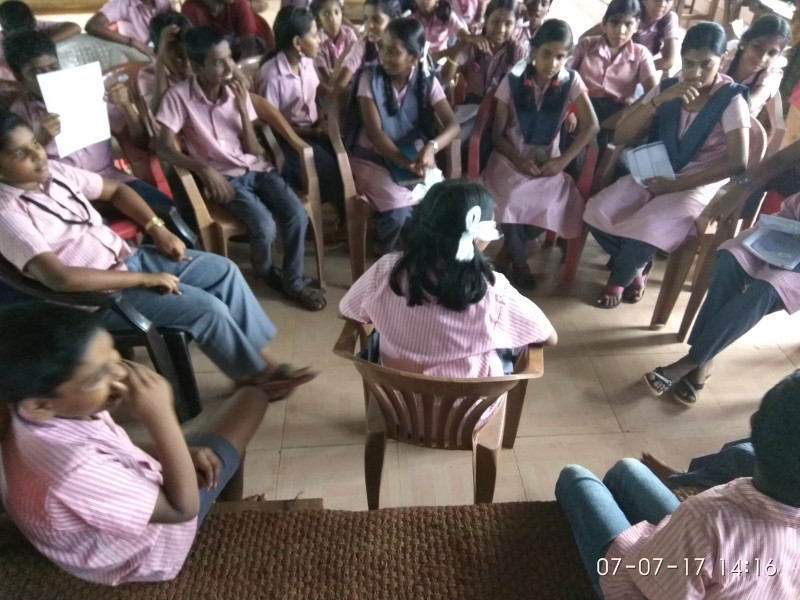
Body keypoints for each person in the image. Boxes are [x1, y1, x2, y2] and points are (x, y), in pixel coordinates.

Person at [0, 111, 314, 390]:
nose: (37, 154)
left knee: (224, 271)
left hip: (129, 258)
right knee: (207, 308)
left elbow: (116, 189)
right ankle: (255, 377)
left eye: (35, 143)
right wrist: (144, 280)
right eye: (20, 153)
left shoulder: (56, 172)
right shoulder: (6, 213)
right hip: (99, 298)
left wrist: (156, 228)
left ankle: (262, 362)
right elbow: (60, 278)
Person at [0, 302, 298, 585]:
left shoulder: (27, 410)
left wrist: (179, 451)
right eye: (96, 377)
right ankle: (230, 514)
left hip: (91, 528)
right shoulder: (73, 468)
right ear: (39, 406)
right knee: (251, 399)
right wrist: (161, 417)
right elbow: (182, 510)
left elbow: (109, 445)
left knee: (212, 441)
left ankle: (224, 498)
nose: (120, 374)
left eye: (115, 358)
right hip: (144, 553)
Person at [555, 370, 800, 599]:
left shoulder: (704, 516)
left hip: (642, 585)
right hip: (699, 557)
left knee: (574, 478)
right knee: (627, 469)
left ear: (755, 424)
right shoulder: (705, 518)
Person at [156, 26, 326, 311]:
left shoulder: (236, 90)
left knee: (296, 214)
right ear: (196, 67)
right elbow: (162, 147)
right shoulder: (179, 97)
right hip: (224, 178)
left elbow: (253, 150)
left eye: (229, 58)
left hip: (256, 168)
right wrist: (203, 170)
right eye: (218, 62)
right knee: (264, 227)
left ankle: (293, 281)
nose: (229, 67)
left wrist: (243, 108)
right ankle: (266, 271)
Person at [583, 22, 749, 308]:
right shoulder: (669, 88)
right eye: (689, 63)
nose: (696, 73)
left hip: (697, 182)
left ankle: (619, 279)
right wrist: (657, 101)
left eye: (706, 64)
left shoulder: (730, 99)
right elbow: (621, 136)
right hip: (657, 170)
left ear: (722, 60)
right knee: (596, 210)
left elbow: (738, 162)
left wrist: (677, 185)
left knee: (648, 226)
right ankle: (638, 267)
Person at [340, 179, 556, 376]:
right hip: (470, 405)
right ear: (476, 236)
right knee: (507, 350)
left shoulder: (387, 270)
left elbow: (347, 309)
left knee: (378, 338)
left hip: (396, 398)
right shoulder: (493, 291)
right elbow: (548, 336)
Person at [642, 188, 800, 405]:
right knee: (728, 259)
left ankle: (690, 362)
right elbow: (789, 211)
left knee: (766, 291)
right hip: (785, 238)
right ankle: (704, 361)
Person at [4, 31, 180, 221]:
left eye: (53, 67)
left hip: (112, 180)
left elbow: (140, 141)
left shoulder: (87, 90)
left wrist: (126, 106)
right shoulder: (19, 115)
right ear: (19, 77)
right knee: (96, 229)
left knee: (172, 213)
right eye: (36, 73)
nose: (47, 76)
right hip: (65, 192)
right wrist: (40, 140)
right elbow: (18, 174)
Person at [480, 19, 599, 288]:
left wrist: (562, 161)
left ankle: (509, 249)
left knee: (552, 205)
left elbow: (591, 125)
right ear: (534, 51)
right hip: (510, 158)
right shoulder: (513, 79)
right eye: (547, 54)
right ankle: (520, 262)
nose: (553, 63)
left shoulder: (571, 80)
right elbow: (497, 135)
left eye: (560, 57)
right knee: (509, 199)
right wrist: (518, 159)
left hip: (548, 162)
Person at [345, 17, 460, 255]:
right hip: (371, 156)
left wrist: (431, 147)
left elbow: (452, 125)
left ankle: (416, 253)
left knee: (438, 201)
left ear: (413, 58)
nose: (384, 56)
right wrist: (406, 163)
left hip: (413, 154)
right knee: (398, 211)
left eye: (393, 51)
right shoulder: (369, 78)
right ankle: (385, 252)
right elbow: (375, 133)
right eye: (383, 48)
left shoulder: (427, 80)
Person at [256, 6, 346, 231]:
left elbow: (316, 96)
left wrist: (323, 118)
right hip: (287, 140)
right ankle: (324, 224)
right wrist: (312, 132)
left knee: (348, 153)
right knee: (330, 167)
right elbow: (271, 125)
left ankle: (343, 217)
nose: (319, 40)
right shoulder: (271, 75)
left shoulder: (306, 63)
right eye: (314, 36)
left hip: (313, 130)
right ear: (297, 43)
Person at [569, 0, 657, 149]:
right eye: (614, 23)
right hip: (582, 107)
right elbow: (564, 77)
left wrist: (626, 114)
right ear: (604, 24)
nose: (620, 30)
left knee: (606, 149)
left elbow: (654, 92)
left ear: (637, 25)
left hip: (617, 113)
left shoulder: (641, 54)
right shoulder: (586, 45)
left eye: (628, 24)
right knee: (569, 145)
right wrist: (569, 110)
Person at [441, 0, 526, 104]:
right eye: (495, 21)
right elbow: (444, 77)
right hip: (472, 107)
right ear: (486, 19)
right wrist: (462, 44)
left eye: (508, 24)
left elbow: (522, 91)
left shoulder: (518, 52)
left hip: (501, 108)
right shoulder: (472, 46)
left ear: (515, 25)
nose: (501, 29)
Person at [328, 0, 403, 97]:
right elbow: (341, 83)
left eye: (377, 20)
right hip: (370, 96)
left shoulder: (404, 46)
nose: (369, 25)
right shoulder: (364, 44)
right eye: (366, 19)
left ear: (394, 19)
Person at [582, 0, 677, 75]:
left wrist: (634, 69)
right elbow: (584, 38)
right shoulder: (631, 10)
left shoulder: (669, 18)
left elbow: (668, 61)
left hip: (637, 72)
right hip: (609, 65)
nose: (662, 4)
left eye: (668, 0)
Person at [722, 14, 789, 118]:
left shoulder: (771, 76)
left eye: (771, 53)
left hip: (736, 126)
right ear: (745, 42)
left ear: (779, 55)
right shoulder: (725, 64)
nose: (762, 58)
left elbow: (749, 105)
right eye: (758, 48)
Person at [0, 0, 80, 82]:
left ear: (34, 21)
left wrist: (43, 44)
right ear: (4, 32)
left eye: (54, 67)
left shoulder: (38, 26)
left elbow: (74, 27)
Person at [138, 10, 193, 114]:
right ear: (158, 52)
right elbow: (159, 110)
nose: (187, 64)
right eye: (178, 59)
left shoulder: (200, 62)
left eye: (189, 55)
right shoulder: (148, 75)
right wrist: (160, 57)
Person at [404, 0, 489, 61]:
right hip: (414, 59)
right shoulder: (408, 15)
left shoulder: (447, 15)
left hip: (438, 61)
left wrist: (472, 38)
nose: (424, 1)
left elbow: (464, 35)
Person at [85, 0, 171, 59]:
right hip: (136, 55)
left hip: (163, 53)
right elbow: (92, 25)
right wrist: (134, 43)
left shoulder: (165, 3)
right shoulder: (122, 3)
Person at [180, 0, 266, 59]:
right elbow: (198, 57)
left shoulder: (239, 3)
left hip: (240, 59)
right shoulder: (191, 10)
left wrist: (238, 71)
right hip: (212, 66)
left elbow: (248, 47)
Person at [311, 0, 358, 94]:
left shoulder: (349, 33)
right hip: (328, 88)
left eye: (336, 12)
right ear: (318, 19)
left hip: (350, 82)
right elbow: (326, 77)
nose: (333, 18)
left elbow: (356, 61)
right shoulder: (317, 41)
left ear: (342, 14)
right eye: (326, 14)